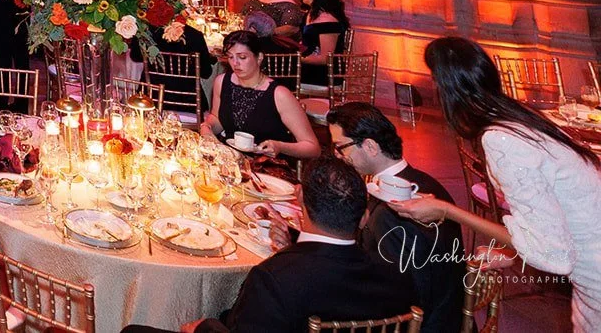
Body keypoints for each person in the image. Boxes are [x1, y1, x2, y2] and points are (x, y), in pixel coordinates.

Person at [386, 37, 601, 331]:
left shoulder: (500, 139)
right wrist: (511, 254)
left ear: (447, 89)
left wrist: (447, 211)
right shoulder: (520, 117)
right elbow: (554, 221)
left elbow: (556, 255)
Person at [121, 159, 416, 333]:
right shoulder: (397, 280)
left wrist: (204, 328)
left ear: (299, 200)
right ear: (364, 218)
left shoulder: (274, 278)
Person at [326, 102, 464, 333]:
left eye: (341, 147)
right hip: (446, 313)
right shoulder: (428, 184)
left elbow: (397, 296)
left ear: (370, 146)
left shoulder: (391, 212)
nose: (338, 156)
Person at [203, 30, 320, 160]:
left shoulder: (279, 94)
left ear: (259, 58)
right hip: (230, 159)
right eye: (231, 57)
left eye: (242, 57)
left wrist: (280, 146)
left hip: (266, 164)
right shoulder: (222, 82)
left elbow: (313, 148)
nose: (235, 63)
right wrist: (207, 126)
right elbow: (217, 118)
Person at [299, 0, 349, 87]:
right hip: (309, 67)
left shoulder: (327, 22)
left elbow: (325, 58)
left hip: (323, 73)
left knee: (281, 74)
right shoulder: (310, 14)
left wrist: (297, 58)